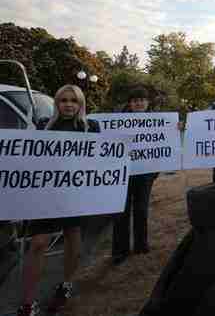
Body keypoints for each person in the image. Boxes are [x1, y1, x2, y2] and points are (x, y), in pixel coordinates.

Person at [17, 85, 101, 316]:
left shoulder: (90, 127)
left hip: (75, 194)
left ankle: (66, 284)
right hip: (45, 195)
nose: (68, 104)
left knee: (73, 238)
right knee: (38, 244)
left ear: (81, 104)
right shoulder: (44, 125)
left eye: (74, 100)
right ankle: (27, 302)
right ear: (57, 103)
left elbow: (104, 157)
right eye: (63, 100)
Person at [111, 87, 159, 266]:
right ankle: (120, 250)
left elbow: (165, 143)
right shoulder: (117, 121)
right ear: (130, 103)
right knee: (121, 211)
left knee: (141, 208)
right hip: (123, 171)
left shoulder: (157, 121)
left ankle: (141, 244)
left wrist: (175, 128)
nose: (139, 103)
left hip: (146, 172)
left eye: (142, 100)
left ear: (147, 103)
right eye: (135, 100)